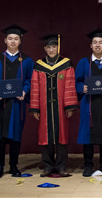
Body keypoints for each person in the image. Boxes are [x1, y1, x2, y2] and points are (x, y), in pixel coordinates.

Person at [0, 24, 33, 179]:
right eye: (10, 38)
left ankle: (13, 166)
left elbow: (30, 80)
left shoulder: (27, 61)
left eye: (16, 39)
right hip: (0, 104)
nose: (13, 41)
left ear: (20, 41)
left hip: (17, 105)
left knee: (15, 136)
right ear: (5, 40)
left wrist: (24, 91)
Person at [29, 33, 78, 177]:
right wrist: (35, 108)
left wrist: (69, 107)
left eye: (54, 47)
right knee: (45, 137)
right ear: (45, 49)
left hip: (61, 108)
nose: (51, 50)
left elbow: (70, 86)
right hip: (44, 108)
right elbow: (35, 87)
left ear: (58, 48)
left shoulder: (66, 64)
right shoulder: (39, 66)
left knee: (61, 136)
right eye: (49, 47)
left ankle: (61, 166)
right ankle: (48, 166)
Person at [75, 29, 102, 177]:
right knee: (88, 135)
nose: (98, 45)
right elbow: (77, 82)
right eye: (95, 42)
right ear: (91, 45)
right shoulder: (84, 63)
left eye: (100, 42)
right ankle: (88, 165)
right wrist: (82, 87)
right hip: (89, 105)